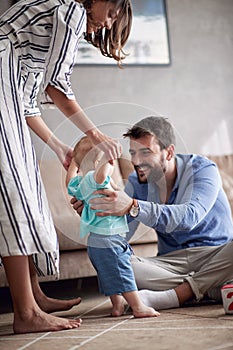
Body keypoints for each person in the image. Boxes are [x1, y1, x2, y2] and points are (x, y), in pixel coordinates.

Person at [0, 0, 132, 333]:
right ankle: (26, 313)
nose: (107, 23)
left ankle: (34, 298)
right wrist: (96, 134)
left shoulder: (32, 43)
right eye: (112, 12)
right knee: (14, 194)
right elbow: (58, 86)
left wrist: (59, 147)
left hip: (7, 93)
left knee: (23, 190)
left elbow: (28, 101)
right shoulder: (71, 9)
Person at [76, 116, 233, 310]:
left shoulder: (202, 169)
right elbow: (120, 232)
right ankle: (212, 287)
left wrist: (133, 205)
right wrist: (96, 213)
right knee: (117, 260)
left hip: (215, 255)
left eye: (145, 152)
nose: (136, 161)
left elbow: (189, 217)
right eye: (133, 153)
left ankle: (176, 295)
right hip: (170, 263)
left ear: (169, 152)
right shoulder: (137, 182)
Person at [66, 136, 160, 318]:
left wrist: (73, 165)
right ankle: (138, 307)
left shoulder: (80, 184)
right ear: (97, 161)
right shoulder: (96, 178)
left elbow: (69, 181)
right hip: (109, 238)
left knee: (109, 272)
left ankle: (117, 306)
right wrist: (110, 159)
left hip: (95, 239)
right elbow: (102, 175)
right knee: (122, 270)